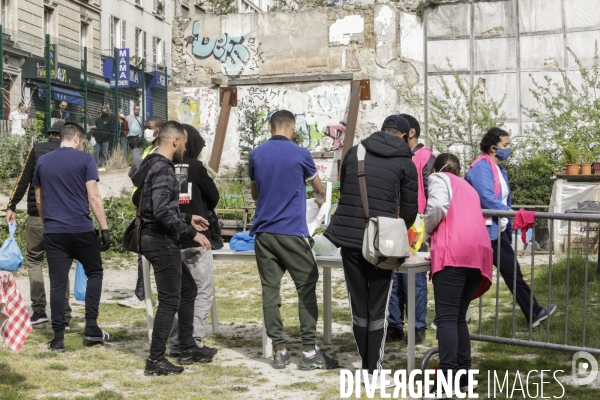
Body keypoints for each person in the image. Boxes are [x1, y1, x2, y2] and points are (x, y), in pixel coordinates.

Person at [324, 115, 418, 384]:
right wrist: (397, 228)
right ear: (402, 135)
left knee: (359, 305)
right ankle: (372, 370)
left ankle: (366, 366)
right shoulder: (405, 162)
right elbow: (410, 211)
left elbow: (346, 192)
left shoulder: (355, 152)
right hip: (382, 243)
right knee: (378, 307)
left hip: (350, 238)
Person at [249, 110, 338, 371]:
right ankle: (309, 351)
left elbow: (256, 194)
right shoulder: (301, 154)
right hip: (292, 231)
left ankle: (279, 350)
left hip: (264, 234)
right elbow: (319, 189)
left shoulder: (256, 154)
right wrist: (318, 201)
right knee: (306, 286)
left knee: (270, 290)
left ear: (269, 127)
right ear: (294, 127)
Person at [131, 120, 212, 376]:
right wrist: (191, 233)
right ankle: (155, 361)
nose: (185, 149)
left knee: (188, 289)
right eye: (184, 144)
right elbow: (162, 210)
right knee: (169, 300)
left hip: (154, 236)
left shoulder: (150, 163)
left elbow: (155, 206)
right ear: (175, 141)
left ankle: (187, 344)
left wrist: (189, 218)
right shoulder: (164, 168)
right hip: (160, 239)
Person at [33, 122, 113, 352]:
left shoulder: (43, 161)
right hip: (80, 228)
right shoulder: (85, 159)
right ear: (77, 137)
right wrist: (104, 229)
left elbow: (39, 201)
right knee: (95, 272)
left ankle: (58, 338)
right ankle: (91, 326)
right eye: (83, 141)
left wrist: (47, 223)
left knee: (58, 283)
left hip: (54, 231)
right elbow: (94, 196)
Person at [465, 127, 556, 328]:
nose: (509, 148)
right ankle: (446, 317)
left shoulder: (499, 169)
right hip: (484, 232)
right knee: (474, 276)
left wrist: (509, 218)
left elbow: (501, 199)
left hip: (497, 230)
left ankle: (534, 312)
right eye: (505, 145)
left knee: (511, 272)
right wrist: (512, 214)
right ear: (493, 148)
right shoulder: (481, 167)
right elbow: (487, 198)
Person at [422, 153, 493, 398]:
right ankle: (463, 375)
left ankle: (445, 380)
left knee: (446, 318)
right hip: (478, 252)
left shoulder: (439, 178)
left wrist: (425, 233)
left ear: (434, 169)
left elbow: (438, 207)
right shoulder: (468, 187)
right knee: (458, 317)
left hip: (455, 251)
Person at [6, 121, 72, 327]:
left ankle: (39, 311)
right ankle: (64, 316)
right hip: (62, 218)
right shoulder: (72, 153)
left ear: (50, 134)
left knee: (34, 261)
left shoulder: (37, 149)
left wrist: (11, 205)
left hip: (36, 216)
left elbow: (23, 179)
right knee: (60, 265)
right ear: (64, 135)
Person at [168, 124, 220, 360]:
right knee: (201, 292)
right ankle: (192, 340)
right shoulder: (196, 167)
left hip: (169, 238)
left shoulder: (162, 164)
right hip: (195, 239)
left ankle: (176, 339)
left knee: (175, 294)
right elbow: (214, 197)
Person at [386, 113, 435, 344]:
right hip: (392, 223)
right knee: (392, 277)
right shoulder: (392, 156)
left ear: (411, 133)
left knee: (413, 280)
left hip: (416, 224)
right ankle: (394, 325)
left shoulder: (426, 158)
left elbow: (431, 193)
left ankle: (417, 328)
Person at [117, 116, 164, 309]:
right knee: (142, 252)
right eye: (145, 127)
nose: (146, 131)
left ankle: (144, 295)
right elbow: (135, 172)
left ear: (159, 130)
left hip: (152, 205)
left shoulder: (159, 150)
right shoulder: (148, 149)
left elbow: (140, 169)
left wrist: (134, 151)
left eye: (149, 127)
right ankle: (141, 293)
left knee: (149, 251)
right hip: (142, 204)